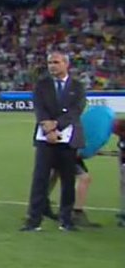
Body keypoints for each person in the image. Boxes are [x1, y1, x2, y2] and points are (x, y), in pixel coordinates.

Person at [22, 51, 86, 232]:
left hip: (67, 139)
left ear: (66, 64)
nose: (52, 66)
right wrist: (48, 128)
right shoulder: (41, 85)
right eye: (50, 62)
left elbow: (76, 111)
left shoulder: (77, 86)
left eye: (56, 62)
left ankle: (66, 220)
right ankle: (33, 220)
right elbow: (39, 108)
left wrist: (57, 125)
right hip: (45, 138)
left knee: (67, 180)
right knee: (40, 179)